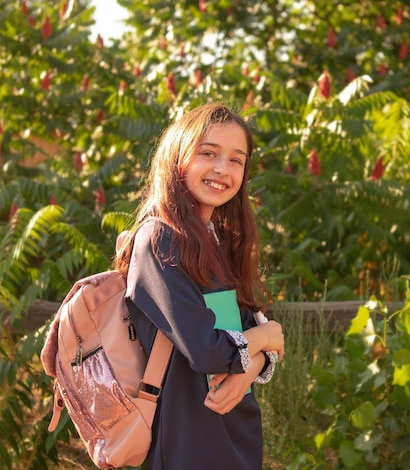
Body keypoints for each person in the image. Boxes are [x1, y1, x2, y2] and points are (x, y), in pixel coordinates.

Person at [113, 103, 284, 469]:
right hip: (187, 439)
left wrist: (250, 369)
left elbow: (243, 329)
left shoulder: (219, 240)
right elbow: (208, 351)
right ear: (179, 159)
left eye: (236, 160)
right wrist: (269, 337)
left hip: (237, 431)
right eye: (209, 153)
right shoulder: (158, 240)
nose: (223, 169)